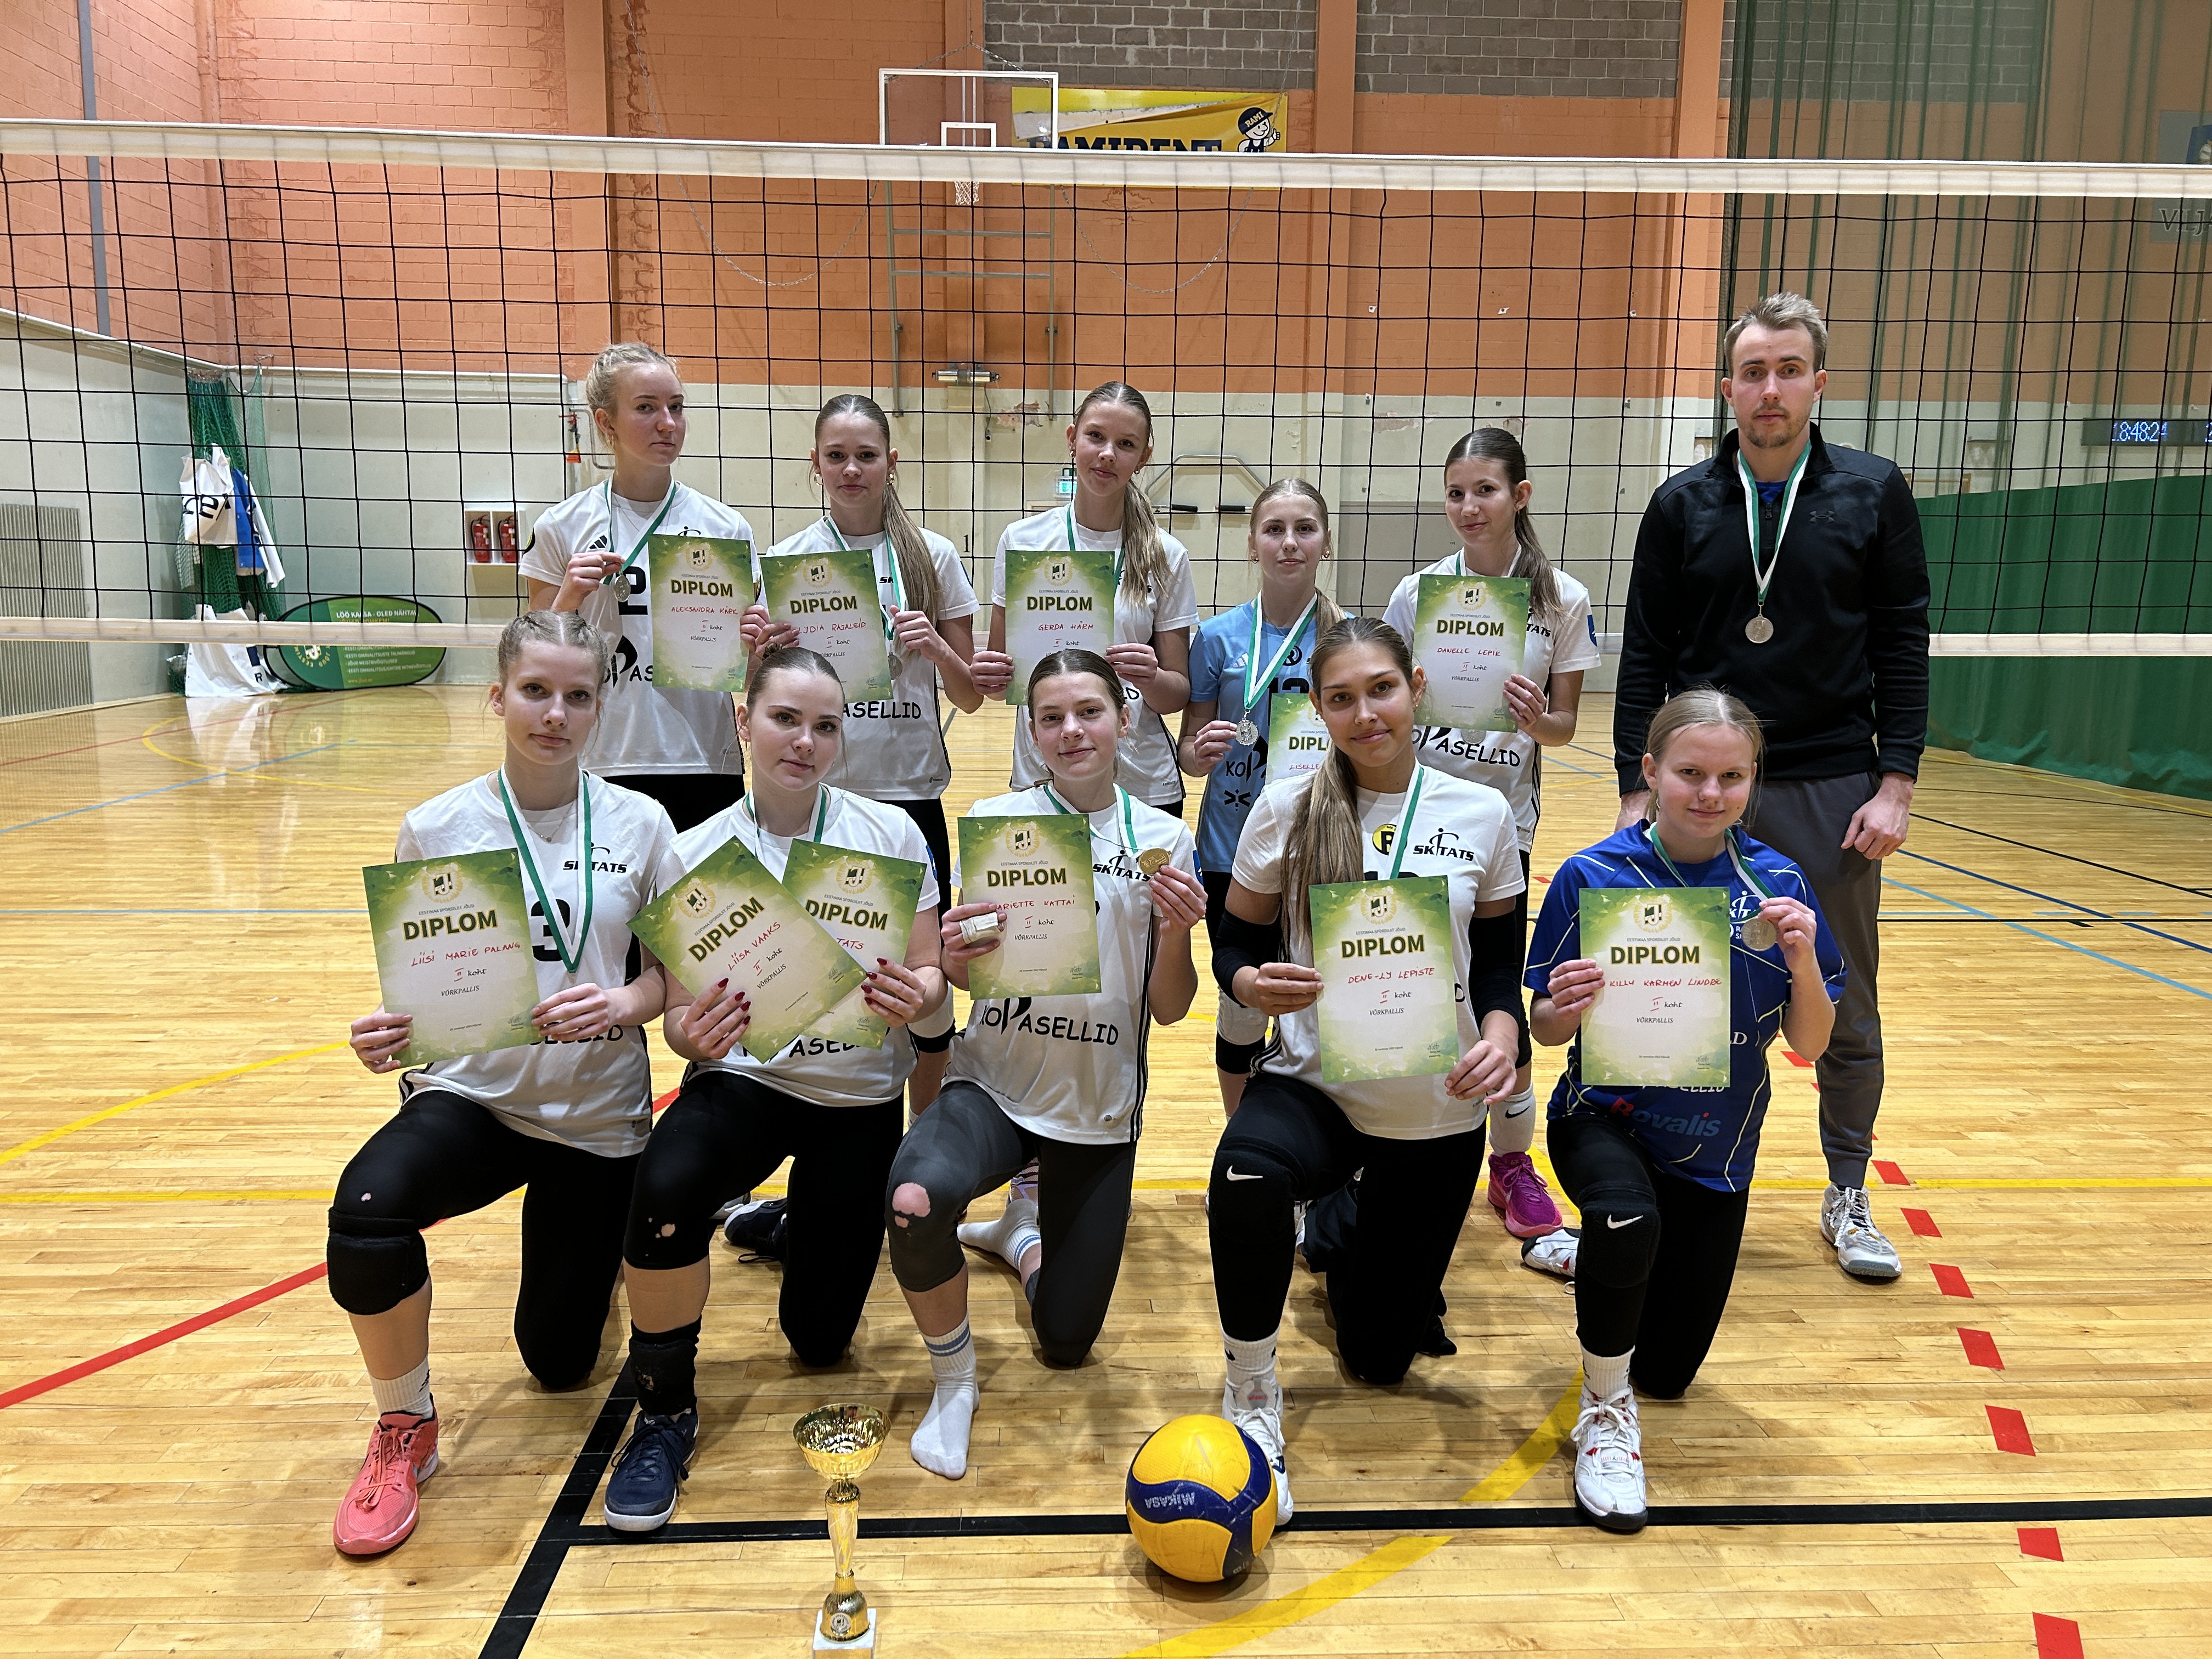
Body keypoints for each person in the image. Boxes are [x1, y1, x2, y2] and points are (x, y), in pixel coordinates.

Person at [327, 611, 681, 1556]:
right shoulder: (437, 826)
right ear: (497, 697)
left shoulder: (642, 824)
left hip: (594, 1116)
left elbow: (669, 982)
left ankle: (593, 1250)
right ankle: (404, 1423)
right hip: (473, 1099)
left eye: (577, 696)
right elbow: (424, 985)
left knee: (558, 1364)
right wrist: (386, 1030)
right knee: (365, 1211)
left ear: (599, 709)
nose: (555, 714)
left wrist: (623, 1000)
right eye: (535, 691)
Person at [1613, 290, 1928, 1282]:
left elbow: (1902, 643)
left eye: (1789, 370)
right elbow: (1645, 654)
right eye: (1753, 372)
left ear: (1817, 383)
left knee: (1843, 1001)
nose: (1770, 389)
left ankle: (1847, 1189)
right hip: (1700, 789)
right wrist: (1635, 787)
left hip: (1828, 781)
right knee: (1674, 992)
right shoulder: (1681, 504)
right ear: (1727, 387)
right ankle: (1661, 1182)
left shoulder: (1872, 492)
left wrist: (1895, 783)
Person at [600, 645, 946, 1533]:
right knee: (665, 1186)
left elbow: (931, 969)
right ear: (742, 720)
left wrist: (920, 993)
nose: (804, 741)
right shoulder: (694, 851)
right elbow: (679, 1019)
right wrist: (693, 1033)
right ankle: (665, 1413)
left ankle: (790, 1223)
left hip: (854, 1096)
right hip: (746, 1084)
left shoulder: (889, 835)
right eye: (785, 719)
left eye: (824, 725)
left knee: (820, 1343)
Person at [1204, 617, 1527, 1522]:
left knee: (1381, 1359)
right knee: (1245, 1172)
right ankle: (1251, 1383)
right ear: (1318, 708)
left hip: (1434, 1103)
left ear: (1414, 686)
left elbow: (1500, 966)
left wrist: (1502, 1034)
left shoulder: (1482, 813)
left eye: (1380, 689)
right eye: (1341, 698)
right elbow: (1234, 939)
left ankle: (1343, 1225)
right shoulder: (1286, 807)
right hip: (1317, 1084)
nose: (1365, 713)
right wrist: (1247, 981)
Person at [1529, 687, 1843, 1532]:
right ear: (1651, 771)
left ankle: (1595, 1253)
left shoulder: (1778, 885)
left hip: (1717, 1148)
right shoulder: (1592, 876)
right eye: (1690, 773)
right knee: (1627, 1218)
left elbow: (1810, 1043)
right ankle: (1605, 1410)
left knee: (1668, 1375)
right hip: (1604, 1117)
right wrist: (1564, 1004)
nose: (1710, 793)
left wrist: (1803, 960)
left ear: (1753, 780)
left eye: (1731, 777)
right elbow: (1545, 1029)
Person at [887, 648, 1203, 1480]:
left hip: (1097, 1107)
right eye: (1052, 717)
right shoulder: (997, 822)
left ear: (1125, 720)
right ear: (1031, 732)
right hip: (993, 1085)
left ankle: (1018, 1240)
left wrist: (1177, 933)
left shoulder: (1163, 838)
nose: (1072, 731)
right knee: (915, 1204)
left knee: (1065, 1342)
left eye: (1089, 712)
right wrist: (956, 954)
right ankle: (955, 1382)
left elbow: (1172, 1009)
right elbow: (967, 979)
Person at [1381, 427, 1604, 1240]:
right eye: (1456, 492)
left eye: (1485, 490)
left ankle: (1510, 1163)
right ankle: (1387, 1136)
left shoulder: (1561, 599)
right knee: (1408, 975)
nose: (1468, 507)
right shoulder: (1418, 594)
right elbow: (1384, 702)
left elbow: (1566, 726)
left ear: (1521, 495)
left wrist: (1537, 718)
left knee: (1496, 991)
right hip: (1415, 816)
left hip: (1503, 824)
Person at [744, 393, 981, 1111]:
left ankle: (924, 1141)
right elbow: (754, 699)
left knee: (922, 989)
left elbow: (971, 695)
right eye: (837, 456)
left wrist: (936, 648)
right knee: (818, 976)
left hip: (909, 795)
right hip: (817, 803)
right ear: (815, 464)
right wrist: (757, 650)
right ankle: (827, 1123)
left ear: (891, 463)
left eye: (867, 455)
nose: (852, 469)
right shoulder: (786, 561)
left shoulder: (932, 556)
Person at [522, 341, 756, 831]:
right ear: (606, 422)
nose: (668, 423)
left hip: (704, 759)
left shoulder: (726, 528)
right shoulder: (562, 526)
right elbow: (533, 662)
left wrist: (757, 646)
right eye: (646, 408)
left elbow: (746, 669)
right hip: (602, 758)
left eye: (677, 407)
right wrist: (569, 597)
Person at [1177, 478, 1344, 1116]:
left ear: (1325, 542)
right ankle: (1243, 1137)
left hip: (1323, 843)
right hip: (1232, 848)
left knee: (1319, 998)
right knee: (1242, 1000)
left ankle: (1314, 1132)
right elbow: (1189, 750)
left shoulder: (1347, 638)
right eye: (1274, 530)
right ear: (1252, 544)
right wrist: (1199, 751)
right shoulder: (1217, 638)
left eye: (1305, 528)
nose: (1289, 543)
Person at [968, 381, 1199, 815]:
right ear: (1072, 439)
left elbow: (1176, 695)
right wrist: (987, 676)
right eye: (1096, 436)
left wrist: (1151, 678)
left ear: (1143, 457)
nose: (1108, 453)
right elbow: (1002, 687)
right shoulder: (1023, 542)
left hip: (1140, 782)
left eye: (1126, 444)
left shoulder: (1166, 555)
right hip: (1045, 774)